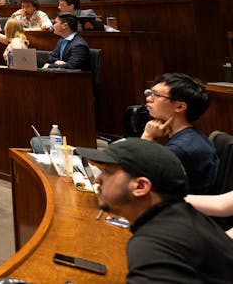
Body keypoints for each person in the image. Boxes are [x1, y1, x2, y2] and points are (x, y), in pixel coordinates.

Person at [76, 138, 233, 282]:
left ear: (140, 187)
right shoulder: (184, 216)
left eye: (107, 172)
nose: (97, 179)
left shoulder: (152, 245)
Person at [140, 73, 219, 195]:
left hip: (182, 211)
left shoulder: (181, 149)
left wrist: (147, 137)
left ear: (180, 106)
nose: (148, 98)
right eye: (149, 93)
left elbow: (135, 176)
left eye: (155, 95)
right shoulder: (191, 137)